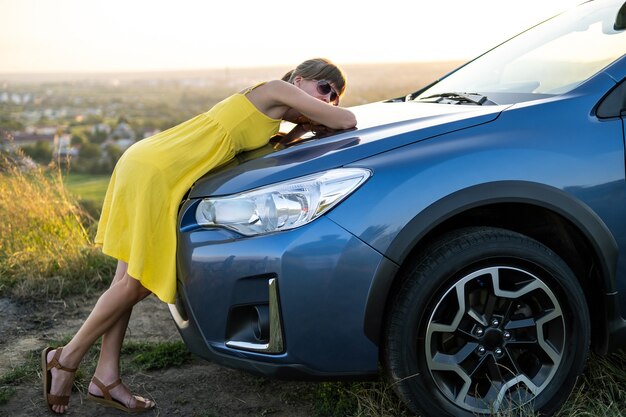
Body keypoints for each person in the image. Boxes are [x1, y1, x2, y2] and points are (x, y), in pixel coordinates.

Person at [41, 57, 357, 414]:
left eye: (336, 95)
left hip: (157, 169)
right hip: (158, 172)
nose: (330, 99)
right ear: (299, 80)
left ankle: (106, 377)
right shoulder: (275, 88)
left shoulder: (274, 116)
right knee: (137, 282)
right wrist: (321, 118)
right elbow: (347, 121)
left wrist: (298, 131)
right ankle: (64, 359)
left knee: (124, 282)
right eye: (325, 88)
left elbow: (277, 146)